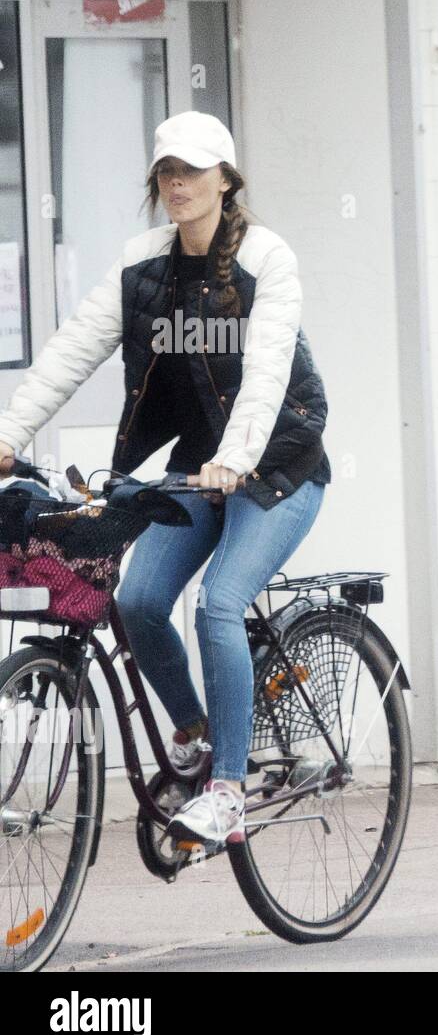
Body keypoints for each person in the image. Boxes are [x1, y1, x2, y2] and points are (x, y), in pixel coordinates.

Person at [0, 111, 331, 845]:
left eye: (191, 171)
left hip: (278, 462)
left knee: (218, 602)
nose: (177, 185)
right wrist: (8, 433)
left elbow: (270, 368)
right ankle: (192, 729)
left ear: (226, 179)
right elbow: (69, 352)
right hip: (198, 467)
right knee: (143, 599)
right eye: (166, 173)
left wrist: (238, 458)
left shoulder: (266, 260)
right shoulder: (141, 267)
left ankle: (227, 789)